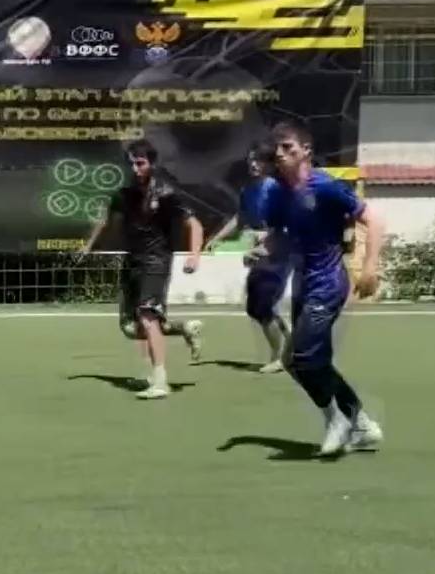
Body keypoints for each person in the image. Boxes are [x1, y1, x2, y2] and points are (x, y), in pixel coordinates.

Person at [259, 120, 385, 457]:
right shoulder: (277, 193)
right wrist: (263, 247)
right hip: (302, 283)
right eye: (277, 148)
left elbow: (373, 220)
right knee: (301, 361)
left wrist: (370, 267)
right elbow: (278, 234)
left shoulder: (326, 187)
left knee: (304, 358)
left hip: (328, 283)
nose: (280, 153)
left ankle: (336, 421)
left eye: (288, 147)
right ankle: (361, 424)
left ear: (306, 151)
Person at [80, 139, 205, 400]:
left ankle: (160, 381)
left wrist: (194, 255)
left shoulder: (167, 193)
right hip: (132, 261)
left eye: (140, 163)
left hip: (156, 261)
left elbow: (194, 225)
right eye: (131, 164)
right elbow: (105, 220)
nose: (135, 169)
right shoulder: (124, 194)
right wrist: (88, 246)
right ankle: (182, 328)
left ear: (152, 164)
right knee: (130, 327)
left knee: (148, 316)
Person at [203, 142, 293, 374]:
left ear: (269, 164)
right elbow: (240, 217)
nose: (253, 164)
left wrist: (266, 242)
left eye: (259, 160)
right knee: (255, 306)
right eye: (251, 159)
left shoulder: (276, 189)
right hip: (260, 251)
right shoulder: (248, 190)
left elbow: (286, 222)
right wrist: (216, 238)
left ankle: (279, 357)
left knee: (262, 303)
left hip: (279, 252)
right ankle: (289, 341)